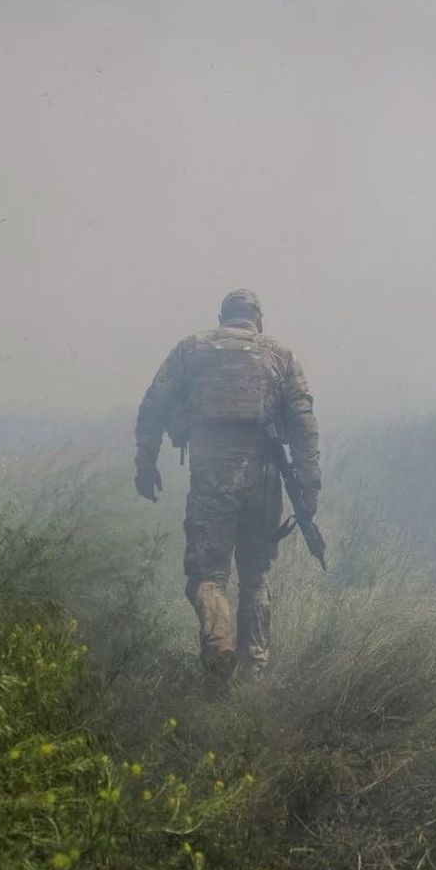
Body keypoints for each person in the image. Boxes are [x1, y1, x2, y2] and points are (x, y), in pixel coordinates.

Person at [134, 289, 321, 692]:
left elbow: (154, 404)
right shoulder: (281, 355)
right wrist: (309, 489)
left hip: (212, 474)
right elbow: (304, 424)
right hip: (265, 477)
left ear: (222, 317)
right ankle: (253, 673)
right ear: (258, 320)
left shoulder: (191, 349)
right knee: (256, 576)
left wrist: (145, 463)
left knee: (207, 575)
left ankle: (218, 646)